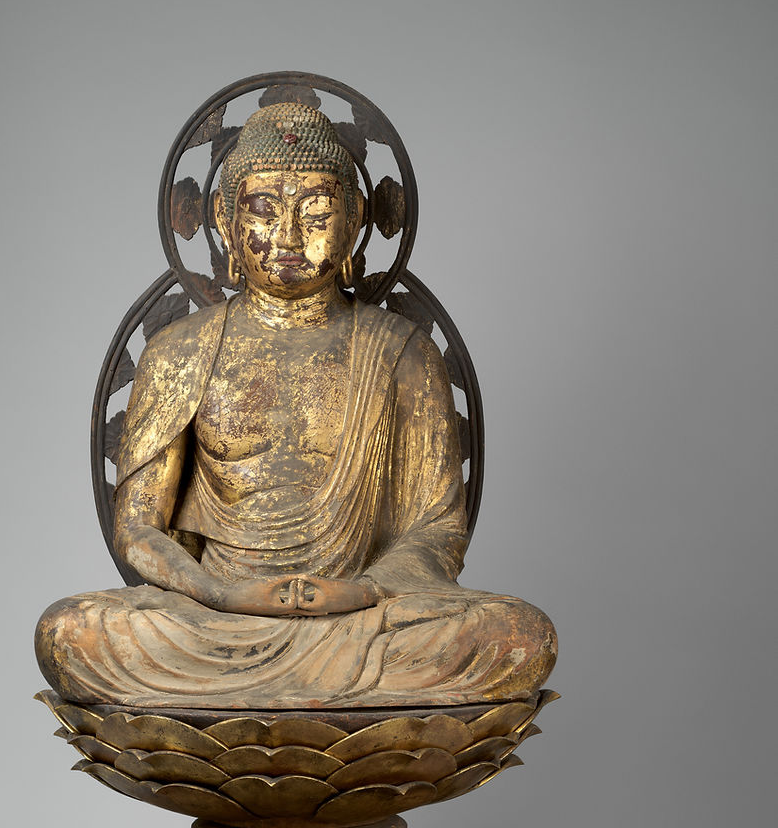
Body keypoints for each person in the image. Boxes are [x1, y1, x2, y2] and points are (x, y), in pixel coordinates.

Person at [36, 103, 556, 709]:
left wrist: (358, 593)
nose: (287, 237)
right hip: (219, 616)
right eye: (262, 212)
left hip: (359, 613)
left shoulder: (401, 350)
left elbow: (437, 530)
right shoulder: (179, 351)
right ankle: (308, 691)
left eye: (315, 212)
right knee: (70, 631)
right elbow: (138, 528)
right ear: (228, 226)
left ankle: (281, 691)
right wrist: (222, 595)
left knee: (518, 635)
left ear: (355, 222)